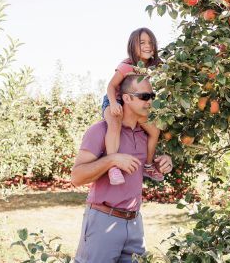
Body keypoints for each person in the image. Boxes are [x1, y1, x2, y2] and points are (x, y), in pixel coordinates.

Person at [71, 74, 173, 263]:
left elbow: (143, 169)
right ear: (126, 98)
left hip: (135, 223)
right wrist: (112, 160)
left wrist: (161, 163)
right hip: (103, 221)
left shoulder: (144, 135)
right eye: (144, 96)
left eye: (152, 96)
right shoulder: (100, 131)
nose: (150, 101)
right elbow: (76, 177)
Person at [102, 27, 163, 185]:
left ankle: (148, 165)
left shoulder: (153, 66)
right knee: (115, 123)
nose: (147, 45)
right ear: (132, 46)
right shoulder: (126, 65)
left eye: (150, 42)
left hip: (133, 103)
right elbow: (110, 86)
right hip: (114, 99)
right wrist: (114, 103)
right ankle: (112, 166)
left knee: (154, 130)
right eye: (142, 42)